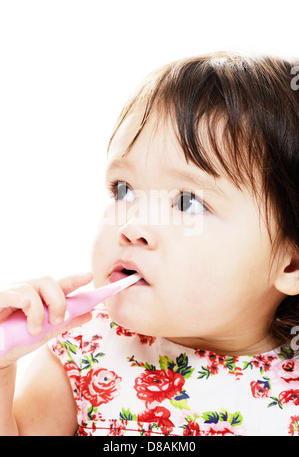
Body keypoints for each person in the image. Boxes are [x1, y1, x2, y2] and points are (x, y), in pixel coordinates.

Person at [0, 52, 298, 436]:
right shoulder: (82, 352)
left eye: (188, 202)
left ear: (291, 264)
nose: (133, 224)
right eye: (123, 190)